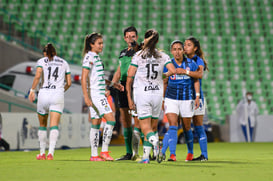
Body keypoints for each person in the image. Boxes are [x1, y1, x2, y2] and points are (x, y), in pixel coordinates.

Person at [126, 29, 176, 163]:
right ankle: (146, 157)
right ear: (157, 41)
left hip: (143, 94)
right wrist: (163, 76)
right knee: (153, 127)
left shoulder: (138, 55)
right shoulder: (163, 56)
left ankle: (156, 144)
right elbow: (173, 70)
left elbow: (129, 78)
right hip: (157, 94)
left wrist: (130, 98)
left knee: (145, 127)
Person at [81, 32, 124, 161]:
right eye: (99, 43)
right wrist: (86, 97)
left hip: (97, 94)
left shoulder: (96, 57)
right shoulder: (90, 57)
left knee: (96, 124)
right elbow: (84, 78)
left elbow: (98, 78)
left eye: (102, 43)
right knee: (111, 120)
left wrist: (113, 84)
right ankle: (104, 151)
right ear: (91, 44)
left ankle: (94, 155)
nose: (102, 45)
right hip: (96, 95)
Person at [28, 43, 71, 160]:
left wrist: (32, 90)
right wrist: (61, 90)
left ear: (45, 53)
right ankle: (50, 153)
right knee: (54, 125)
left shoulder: (42, 61)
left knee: (42, 125)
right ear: (55, 52)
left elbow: (37, 77)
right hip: (57, 94)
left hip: (43, 94)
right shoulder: (64, 63)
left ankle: (42, 153)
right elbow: (69, 82)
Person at [160, 40, 200, 162]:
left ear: (183, 50)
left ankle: (190, 152)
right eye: (174, 49)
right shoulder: (168, 64)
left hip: (186, 99)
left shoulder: (191, 63)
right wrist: (162, 99)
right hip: (171, 98)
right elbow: (164, 82)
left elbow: (196, 79)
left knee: (187, 127)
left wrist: (197, 96)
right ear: (171, 51)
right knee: (173, 125)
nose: (177, 52)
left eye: (179, 49)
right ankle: (171, 154)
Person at [177, 36, 209, 161]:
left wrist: (185, 72)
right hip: (183, 98)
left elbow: (200, 74)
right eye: (184, 45)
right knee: (185, 127)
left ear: (195, 48)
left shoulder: (198, 60)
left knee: (198, 126)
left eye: (188, 45)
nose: (185, 47)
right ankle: (190, 153)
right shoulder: (181, 60)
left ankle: (204, 155)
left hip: (197, 98)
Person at [112, 26, 141, 161]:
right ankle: (129, 153)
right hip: (123, 86)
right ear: (124, 38)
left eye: (133, 36)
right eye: (128, 37)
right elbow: (119, 70)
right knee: (125, 119)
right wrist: (113, 83)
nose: (130, 39)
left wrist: (136, 46)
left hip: (136, 85)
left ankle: (141, 152)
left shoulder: (139, 51)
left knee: (139, 120)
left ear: (137, 37)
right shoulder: (123, 53)